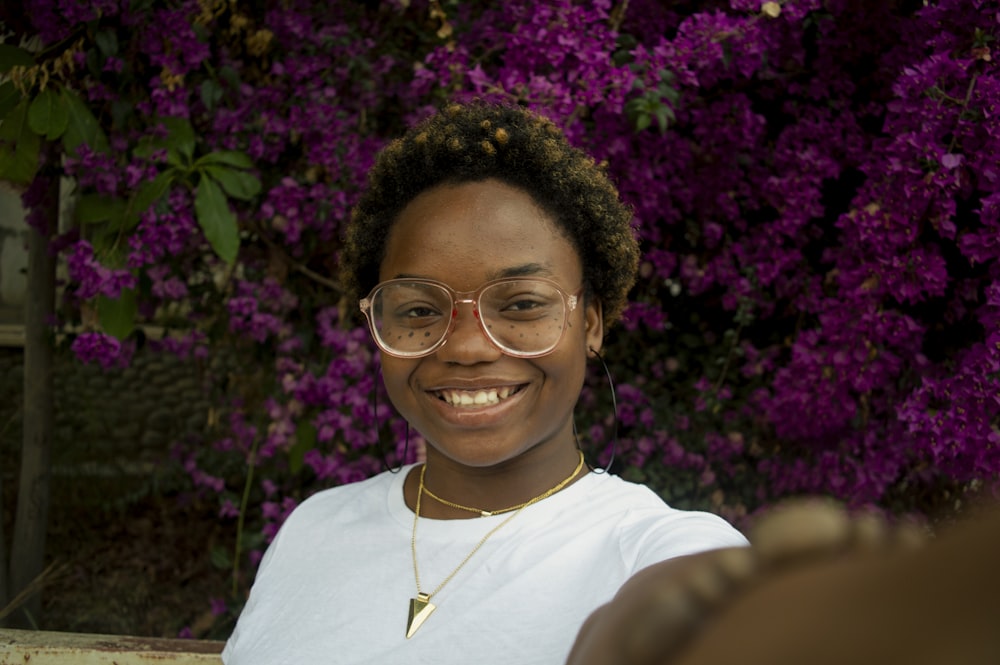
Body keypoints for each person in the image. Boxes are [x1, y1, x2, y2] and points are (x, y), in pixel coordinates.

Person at [221, 102, 747, 665]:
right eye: (420, 310)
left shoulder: (659, 555)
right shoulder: (314, 529)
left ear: (590, 322)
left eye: (522, 304)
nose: (467, 348)